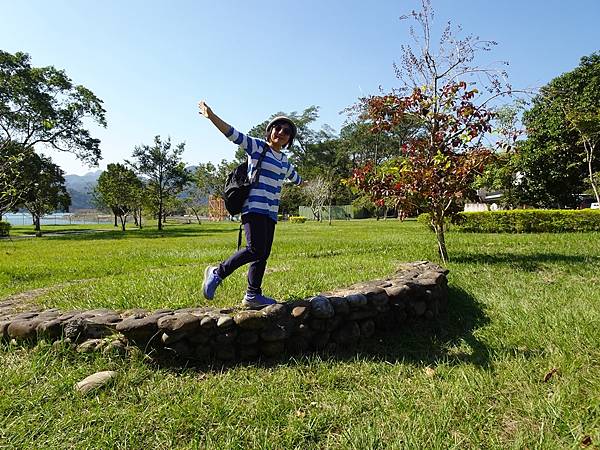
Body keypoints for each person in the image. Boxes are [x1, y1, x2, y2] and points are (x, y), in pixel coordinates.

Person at [198, 100, 302, 308]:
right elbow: (232, 134)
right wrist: (212, 117)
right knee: (254, 249)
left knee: (262, 254)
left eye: (286, 131)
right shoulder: (257, 147)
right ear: (270, 131)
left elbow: (296, 178)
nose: (281, 132)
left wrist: (303, 182)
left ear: (289, 139)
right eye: (277, 128)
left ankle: (253, 295)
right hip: (253, 208)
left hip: (270, 213)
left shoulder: (285, 162)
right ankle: (217, 272)